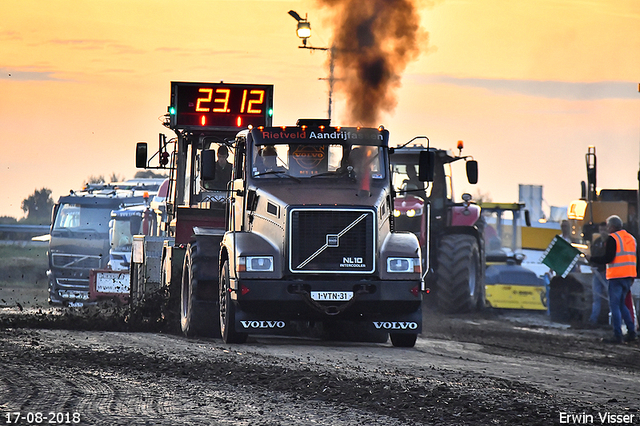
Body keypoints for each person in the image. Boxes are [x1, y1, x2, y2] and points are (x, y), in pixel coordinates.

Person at [588, 215, 637, 344]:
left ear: (613, 226)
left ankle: (617, 335)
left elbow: (608, 258)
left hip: (616, 276)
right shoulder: (631, 238)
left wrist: (592, 259)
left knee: (614, 306)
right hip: (628, 277)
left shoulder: (613, 238)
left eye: (608, 225)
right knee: (622, 305)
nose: (607, 228)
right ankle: (632, 332)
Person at [588, 222, 609, 326]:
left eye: (604, 230)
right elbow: (593, 255)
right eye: (601, 230)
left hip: (607, 273)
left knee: (612, 297)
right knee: (596, 297)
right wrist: (592, 265)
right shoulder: (596, 242)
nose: (603, 232)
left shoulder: (611, 243)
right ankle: (593, 320)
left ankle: (612, 320)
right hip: (597, 273)